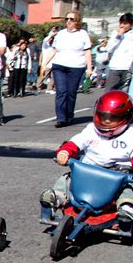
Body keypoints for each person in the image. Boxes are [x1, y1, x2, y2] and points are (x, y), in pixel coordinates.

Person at [40, 90, 133, 231]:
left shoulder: (130, 135)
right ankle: (56, 197)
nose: (106, 121)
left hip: (117, 175)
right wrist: (65, 152)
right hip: (88, 170)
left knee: (128, 188)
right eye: (102, 116)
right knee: (67, 179)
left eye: (112, 118)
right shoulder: (91, 130)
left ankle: (126, 208)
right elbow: (75, 143)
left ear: (125, 117)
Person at [41, 11, 92, 128]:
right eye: (67, 18)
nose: (68, 21)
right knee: (61, 92)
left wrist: (89, 68)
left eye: (72, 19)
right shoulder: (61, 34)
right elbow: (53, 50)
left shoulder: (83, 34)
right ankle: (61, 118)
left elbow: (87, 51)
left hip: (76, 67)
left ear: (77, 21)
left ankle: (69, 116)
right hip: (59, 66)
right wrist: (44, 64)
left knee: (71, 93)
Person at [104, 12, 133, 91]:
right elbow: (109, 49)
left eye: (125, 23)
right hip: (114, 67)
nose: (122, 25)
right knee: (109, 92)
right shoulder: (115, 33)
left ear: (131, 24)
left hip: (128, 68)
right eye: (121, 23)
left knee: (125, 92)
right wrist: (118, 36)